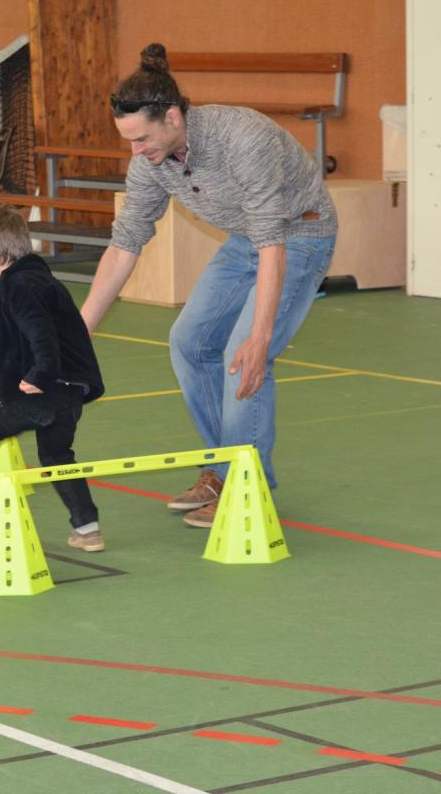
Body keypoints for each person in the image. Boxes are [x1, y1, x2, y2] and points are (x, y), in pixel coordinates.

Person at [79, 42, 337, 528]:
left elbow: (273, 241)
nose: (136, 152)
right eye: (128, 141)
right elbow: (125, 243)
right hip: (247, 239)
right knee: (189, 341)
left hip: (300, 235)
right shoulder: (151, 161)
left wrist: (259, 338)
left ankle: (247, 488)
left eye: (141, 138)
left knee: (243, 356)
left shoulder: (242, 139)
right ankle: (223, 469)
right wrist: (80, 329)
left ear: (173, 117)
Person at [0, 206, 107, 552]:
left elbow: (40, 332)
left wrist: (41, 374)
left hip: (41, 391)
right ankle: (88, 529)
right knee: (57, 454)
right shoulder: (42, 278)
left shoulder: (15, 286)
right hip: (71, 392)